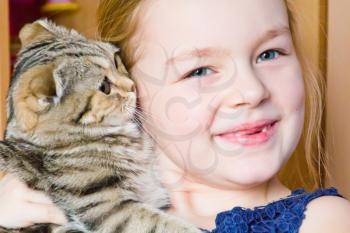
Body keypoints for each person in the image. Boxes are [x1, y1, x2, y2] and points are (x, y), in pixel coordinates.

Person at [1, 0, 350, 232]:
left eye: (270, 53)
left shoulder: (324, 221)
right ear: (133, 82)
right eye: (198, 71)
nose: (252, 91)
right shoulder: (44, 204)